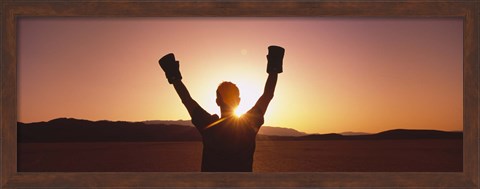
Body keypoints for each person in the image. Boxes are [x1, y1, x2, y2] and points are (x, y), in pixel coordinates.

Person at [158, 46, 285, 172]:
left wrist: (174, 76)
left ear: (217, 101)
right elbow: (268, 95)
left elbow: (187, 100)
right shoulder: (249, 124)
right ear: (239, 101)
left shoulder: (208, 124)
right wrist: (273, 68)